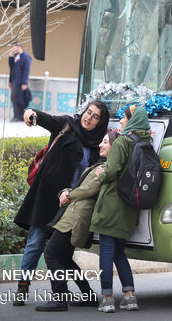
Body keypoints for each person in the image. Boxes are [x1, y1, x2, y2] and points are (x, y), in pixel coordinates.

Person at [12, 101, 110, 306]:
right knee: (36, 242)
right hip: (48, 197)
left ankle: (63, 292)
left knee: (62, 251)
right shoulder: (67, 125)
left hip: (73, 203)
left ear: (100, 122)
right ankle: (23, 286)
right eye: (88, 112)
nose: (88, 118)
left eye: (95, 117)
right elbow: (44, 118)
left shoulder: (99, 143)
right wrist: (30, 113)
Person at [35, 131, 120, 312]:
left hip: (76, 218)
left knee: (51, 254)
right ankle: (88, 296)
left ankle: (59, 299)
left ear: (115, 147)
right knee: (64, 258)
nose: (100, 145)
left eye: (105, 142)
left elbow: (90, 190)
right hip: (74, 214)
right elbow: (81, 186)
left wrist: (69, 196)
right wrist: (64, 192)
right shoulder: (99, 165)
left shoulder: (106, 169)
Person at [90, 105, 151, 313]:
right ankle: (129, 297)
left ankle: (107, 298)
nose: (121, 121)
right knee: (119, 253)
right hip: (129, 207)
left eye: (123, 118)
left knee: (106, 253)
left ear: (131, 121)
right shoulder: (145, 143)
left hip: (112, 206)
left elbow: (112, 170)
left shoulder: (123, 141)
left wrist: (101, 174)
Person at [8, 42, 32, 122]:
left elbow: (26, 71)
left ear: (19, 47)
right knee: (14, 98)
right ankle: (17, 116)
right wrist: (10, 81)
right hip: (15, 81)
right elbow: (11, 68)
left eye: (14, 47)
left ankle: (19, 116)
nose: (13, 49)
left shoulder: (25, 57)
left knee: (17, 98)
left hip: (20, 82)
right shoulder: (16, 56)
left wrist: (24, 83)